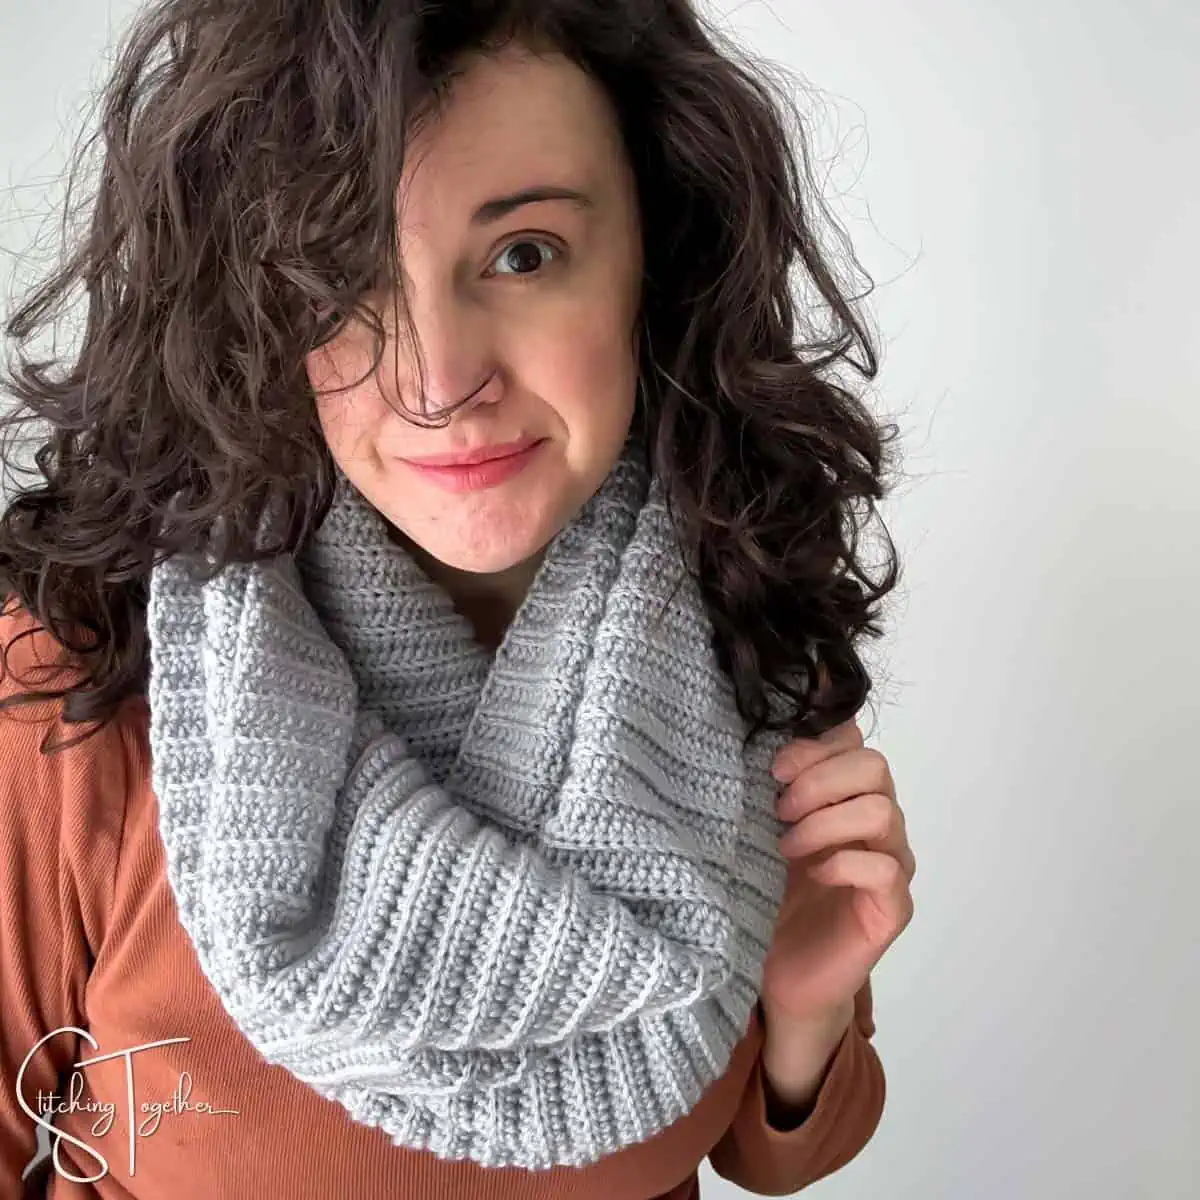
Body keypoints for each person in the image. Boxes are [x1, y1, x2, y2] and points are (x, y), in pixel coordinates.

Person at [0, 1, 916, 1197]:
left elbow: (765, 1151)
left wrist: (805, 1011)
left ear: (658, 256)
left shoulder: (729, 634)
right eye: (339, 278)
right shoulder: (78, 684)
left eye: (522, 254)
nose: (437, 379)